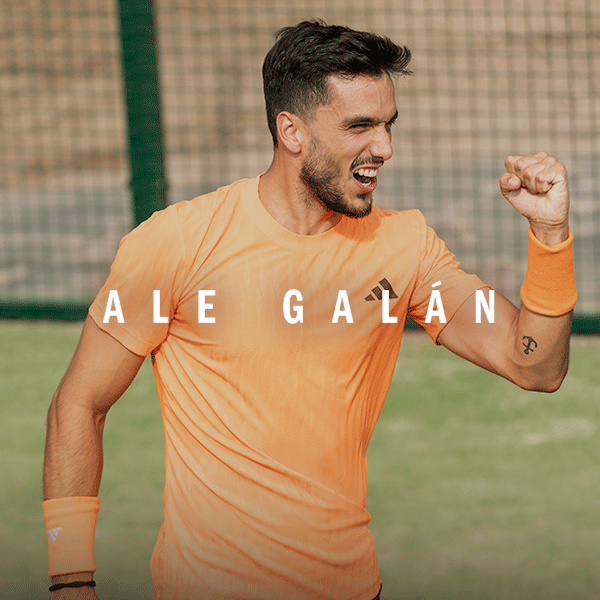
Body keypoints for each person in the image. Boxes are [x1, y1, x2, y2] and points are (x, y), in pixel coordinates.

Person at [42, 19, 577, 600]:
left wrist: (550, 236)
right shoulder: (175, 244)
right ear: (291, 131)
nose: (385, 148)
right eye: (360, 126)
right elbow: (79, 403)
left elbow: (534, 366)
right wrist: (70, 580)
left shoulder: (405, 248)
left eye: (388, 124)